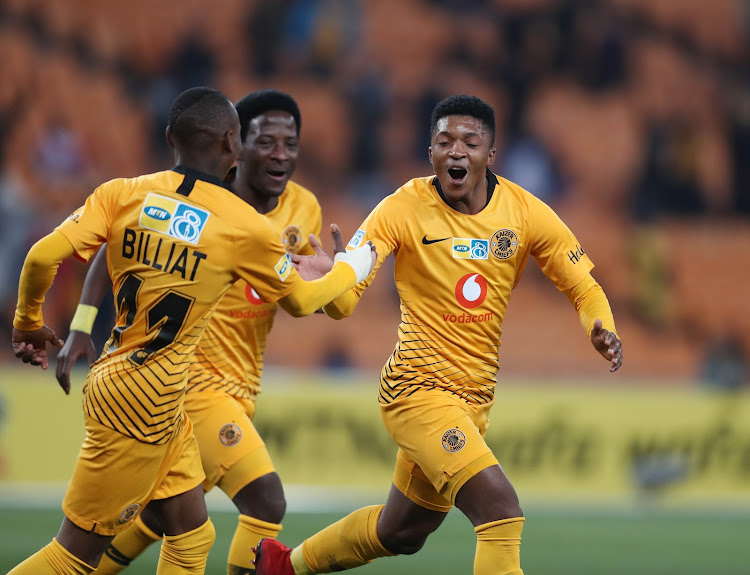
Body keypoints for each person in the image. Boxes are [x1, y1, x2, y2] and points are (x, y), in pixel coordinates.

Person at [9, 86, 375, 575]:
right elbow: (306, 299)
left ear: (168, 138)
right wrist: (353, 266)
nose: (278, 154)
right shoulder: (242, 225)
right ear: (234, 143)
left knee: (191, 535)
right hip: (154, 394)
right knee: (75, 554)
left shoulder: (122, 192)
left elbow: (40, 257)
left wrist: (28, 323)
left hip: (134, 383)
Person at [254, 94, 623, 575]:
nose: (456, 151)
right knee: (500, 511)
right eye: (444, 141)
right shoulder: (402, 208)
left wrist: (601, 326)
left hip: (473, 401)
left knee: (401, 531)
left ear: (490, 155)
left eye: (470, 142)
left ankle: (283, 567)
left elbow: (583, 286)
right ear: (430, 151)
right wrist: (331, 276)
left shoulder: (525, 212)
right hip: (416, 392)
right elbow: (346, 299)